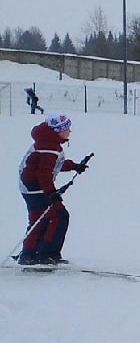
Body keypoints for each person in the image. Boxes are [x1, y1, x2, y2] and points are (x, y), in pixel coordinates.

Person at [17, 112, 91, 266]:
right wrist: (51, 193)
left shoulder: (48, 143)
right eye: (67, 129)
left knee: (39, 219)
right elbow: (43, 174)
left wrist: (74, 166)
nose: (69, 132)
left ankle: (30, 253)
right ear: (57, 130)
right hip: (36, 188)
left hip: (31, 188)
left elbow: (54, 165)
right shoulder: (48, 147)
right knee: (59, 216)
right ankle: (47, 255)